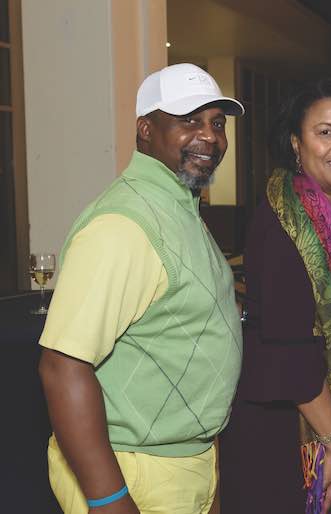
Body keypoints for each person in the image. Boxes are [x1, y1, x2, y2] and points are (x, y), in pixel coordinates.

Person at [37, 63, 245, 514]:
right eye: (189, 120)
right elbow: (61, 366)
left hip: (177, 464)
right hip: (131, 473)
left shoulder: (178, 207)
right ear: (146, 129)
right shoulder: (123, 223)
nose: (209, 136)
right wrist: (110, 499)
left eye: (217, 123)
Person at [219, 77, 331, 514]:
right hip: (286, 434)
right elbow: (289, 349)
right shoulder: (282, 222)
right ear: (296, 143)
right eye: (324, 132)